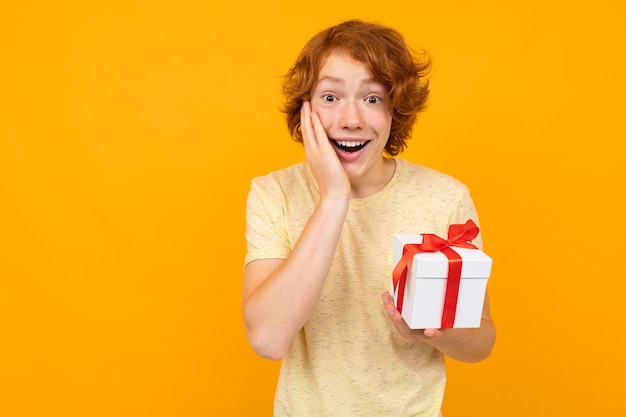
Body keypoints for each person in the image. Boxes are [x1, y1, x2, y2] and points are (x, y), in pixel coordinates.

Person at [242, 19, 496, 416]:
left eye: (373, 98)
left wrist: (434, 331)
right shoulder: (274, 193)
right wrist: (333, 197)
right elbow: (268, 339)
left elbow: (481, 341)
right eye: (330, 97)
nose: (351, 120)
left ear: (396, 109)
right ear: (305, 109)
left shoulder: (444, 197)